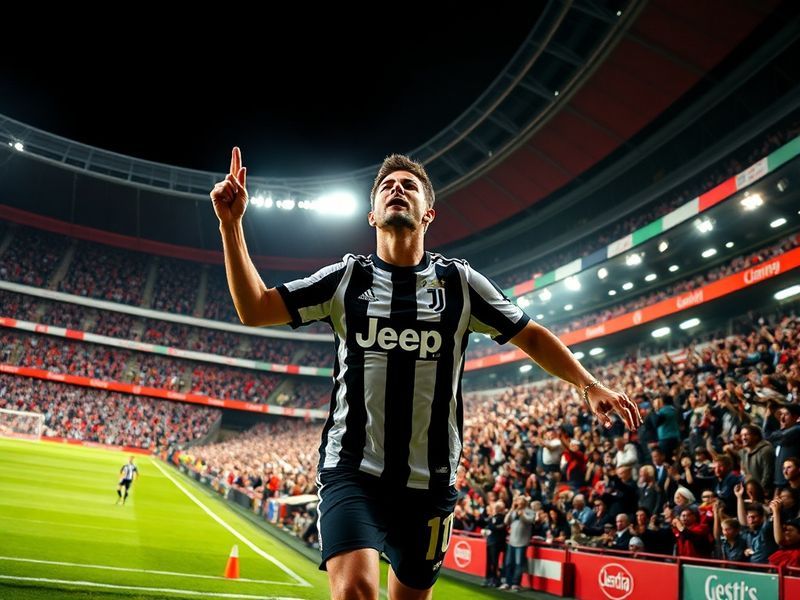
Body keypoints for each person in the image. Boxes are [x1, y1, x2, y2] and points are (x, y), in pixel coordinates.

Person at [210, 148, 642, 600]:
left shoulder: (460, 283)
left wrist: (588, 384)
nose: (398, 189)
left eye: (409, 186)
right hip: (353, 471)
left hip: (430, 483)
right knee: (355, 591)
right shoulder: (347, 279)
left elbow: (530, 335)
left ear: (428, 213)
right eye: (387, 186)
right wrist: (231, 224)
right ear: (372, 215)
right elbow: (255, 308)